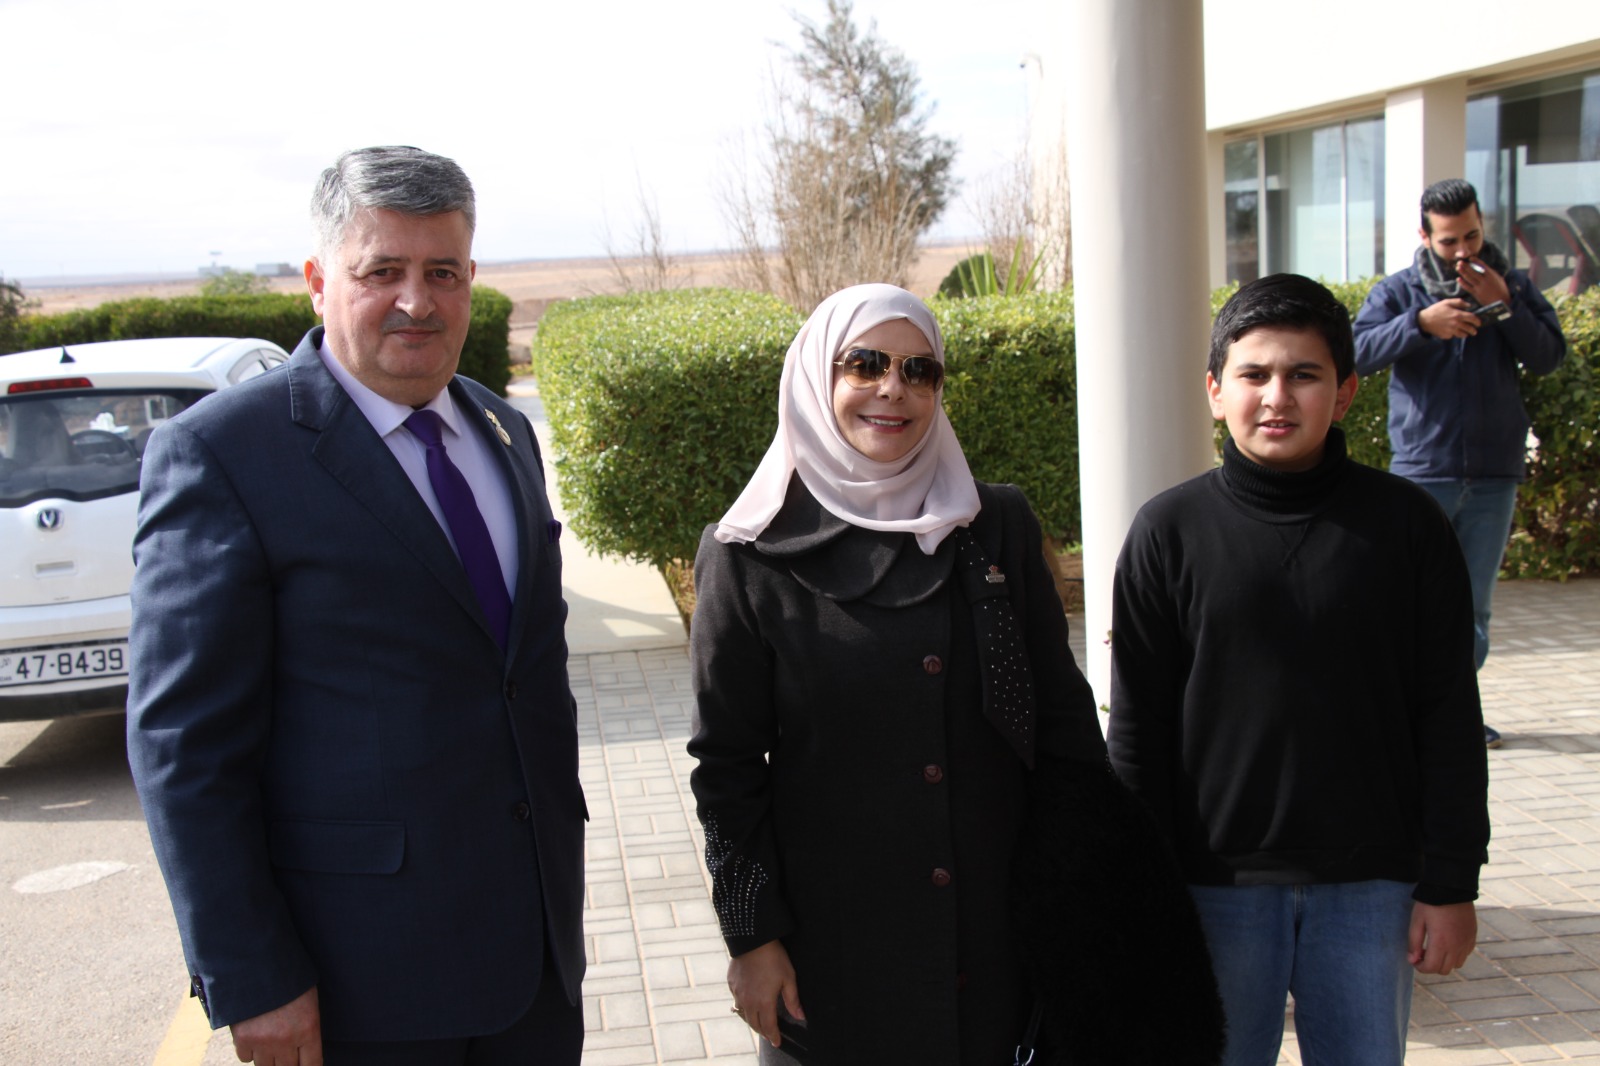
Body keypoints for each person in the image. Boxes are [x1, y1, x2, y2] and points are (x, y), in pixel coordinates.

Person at [127, 146, 585, 1065]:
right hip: (357, 986)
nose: (418, 301)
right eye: (382, 271)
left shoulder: (505, 430)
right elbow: (184, 747)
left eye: (443, 272)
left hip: (531, 963)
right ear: (317, 281)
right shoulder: (223, 455)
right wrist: (252, 974)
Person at [688, 284, 1223, 1065]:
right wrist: (752, 936)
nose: (893, 388)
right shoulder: (747, 556)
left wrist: (1095, 901)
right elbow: (726, 769)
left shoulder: (994, 525)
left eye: (920, 370)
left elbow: (1064, 729)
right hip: (835, 952)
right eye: (864, 364)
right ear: (814, 377)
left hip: (996, 942)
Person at [1109, 273, 1491, 1066]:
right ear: (1216, 391)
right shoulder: (1167, 533)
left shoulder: (1408, 528)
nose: (1277, 396)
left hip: (1372, 887)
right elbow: (1139, 733)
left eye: (1304, 375)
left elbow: (1449, 714)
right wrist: (1140, 893)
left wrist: (1452, 882)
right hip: (1212, 888)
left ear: (1345, 392)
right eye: (1254, 374)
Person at [1353, 178, 1567, 748]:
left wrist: (1506, 306)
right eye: (1450, 241)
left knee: (1474, 610)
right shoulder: (1399, 292)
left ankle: (1455, 717)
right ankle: (1402, 714)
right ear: (1425, 236)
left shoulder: (1510, 283)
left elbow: (1549, 355)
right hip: (1424, 472)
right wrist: (1421, 325)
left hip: (1495, 475)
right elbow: (1352, 354)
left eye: (1472, 236)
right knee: (1409, 602)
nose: (1464, 251)